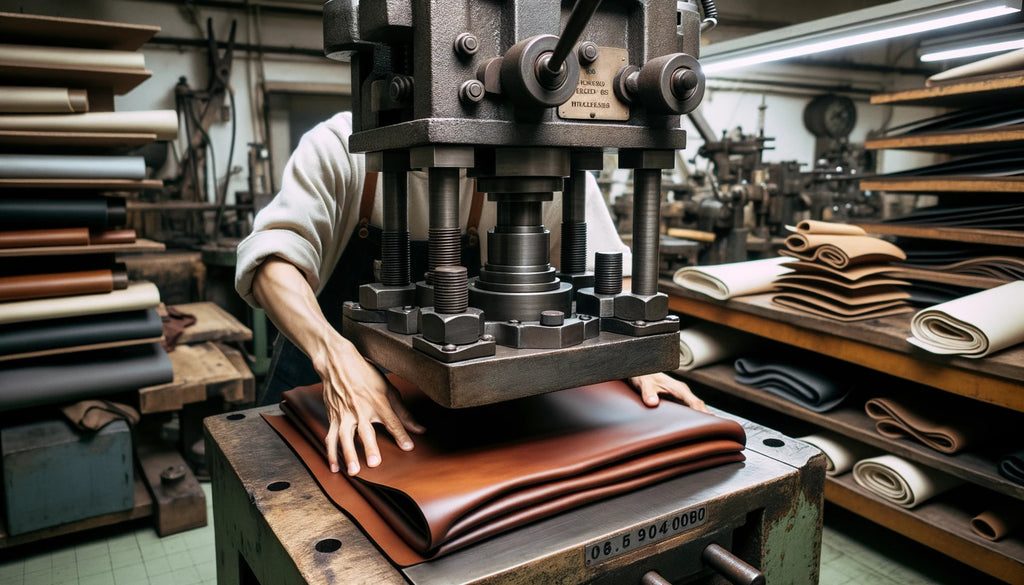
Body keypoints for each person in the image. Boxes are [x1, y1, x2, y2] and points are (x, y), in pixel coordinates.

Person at [235, 112, 706, 477]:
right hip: (328, 381)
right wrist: (332, 352)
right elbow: (272, 262)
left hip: (450, 414)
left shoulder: (537, 157)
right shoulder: (346, 145)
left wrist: (632, 352)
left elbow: (613, 272)